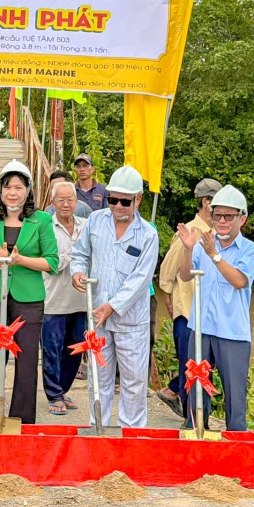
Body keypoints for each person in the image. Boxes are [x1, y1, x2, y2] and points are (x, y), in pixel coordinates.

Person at [70, 165, 158, 428]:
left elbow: (140, 280)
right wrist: (77, 271)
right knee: (98, 378)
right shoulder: (95, 221)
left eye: (125, 201)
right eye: (113, 199)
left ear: (138, 199)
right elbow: (80, 253)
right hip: (97, 316)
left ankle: (131, 433)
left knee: (133, 381)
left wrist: (113, 306)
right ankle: (98, 428)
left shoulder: (148, 235)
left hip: (131, 321)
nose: (118, 206)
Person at [0, 160, 59, 425]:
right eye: (8, 187)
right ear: (0, 190)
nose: (12, 193)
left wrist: (20, 260)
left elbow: (52, 262)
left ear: (28, 191)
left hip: (28, 300)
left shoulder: (42, 220)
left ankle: (21, 422)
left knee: (26, 361)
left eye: (18, 187)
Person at [176, 184, 254, 432]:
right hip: (201, 329)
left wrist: (214, 255)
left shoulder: (250, 250)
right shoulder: (202, 244)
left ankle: (236, 443)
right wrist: (188, 249)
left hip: (232, 333)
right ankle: (196, 437)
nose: (222, 221)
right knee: (196, 391)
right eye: (217, 215)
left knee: (235, 397)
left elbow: (239, 281)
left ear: (242, 219)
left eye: (229, 216)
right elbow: (185, 275)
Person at [155, 177, 222, 419]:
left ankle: (172, 391)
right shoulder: (191, 231)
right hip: (187, 309)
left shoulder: (219, 234)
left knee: (207, 363)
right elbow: (168, 268)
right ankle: (193, 419)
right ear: (206, 203)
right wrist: (168, 294)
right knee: (191, 363)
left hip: (210, 313)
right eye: (218, 204)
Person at [41, 181, 86, 415]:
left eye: (70, 200)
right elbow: (52, 264)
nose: (66, 204)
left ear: (76, 202)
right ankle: (54, 395)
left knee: (76, 350)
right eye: (61, 200)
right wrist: (76, 252)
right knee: (52, 350)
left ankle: (63, 389)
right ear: (52, 203)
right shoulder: (46, 227)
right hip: (54, 300)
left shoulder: (86, 225)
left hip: (81, 301)